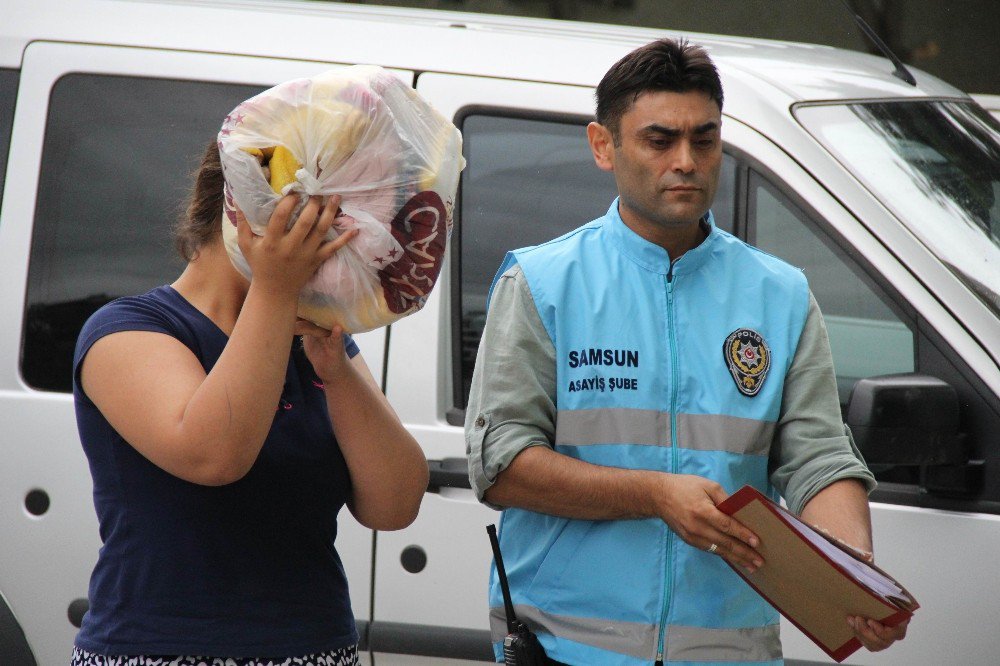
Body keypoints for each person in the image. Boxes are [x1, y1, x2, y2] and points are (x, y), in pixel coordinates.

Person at [466, 38, 908, 665]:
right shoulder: (542, 282)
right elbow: (499, 463)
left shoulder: (779, 293)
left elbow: (818, 458)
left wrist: (851, 575)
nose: (687, 161)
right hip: (569, 652)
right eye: (659, 139)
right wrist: (654, 494)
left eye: (705, 139)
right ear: (602, 145)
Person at [71, 140, 429, 665]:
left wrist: (334, 366)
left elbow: (394, 505)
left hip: (314, 648)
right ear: (246, 213)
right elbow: (214, 455)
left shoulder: (313, 339)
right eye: (320, 222)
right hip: (161, 650)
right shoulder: (127, 329)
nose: (335, 244)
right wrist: (275, 289)